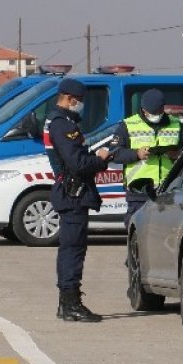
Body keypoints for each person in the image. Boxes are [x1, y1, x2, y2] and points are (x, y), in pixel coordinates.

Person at [44, 78, 112, 323]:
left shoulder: (61, 121)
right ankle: (71, 303)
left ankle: (67, 303)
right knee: (72, 250)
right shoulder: (62, 125)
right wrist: (101, 159)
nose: (81, 105)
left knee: (72, 249)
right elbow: (78, 163)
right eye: (79, 101)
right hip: (73, 193)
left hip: (71, 191)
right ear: (69, 99)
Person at [108, 88, 181, 228]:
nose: (155, 115)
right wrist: (136, 154)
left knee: (165, 233)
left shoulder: (176, 124)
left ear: (163, 109)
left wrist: (176, 154)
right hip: (139, 190)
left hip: (168, 190)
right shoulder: (128, 125)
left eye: (159, 112)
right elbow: (115, 154)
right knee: (137, 231)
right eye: (151, 113)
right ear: (143, 109)